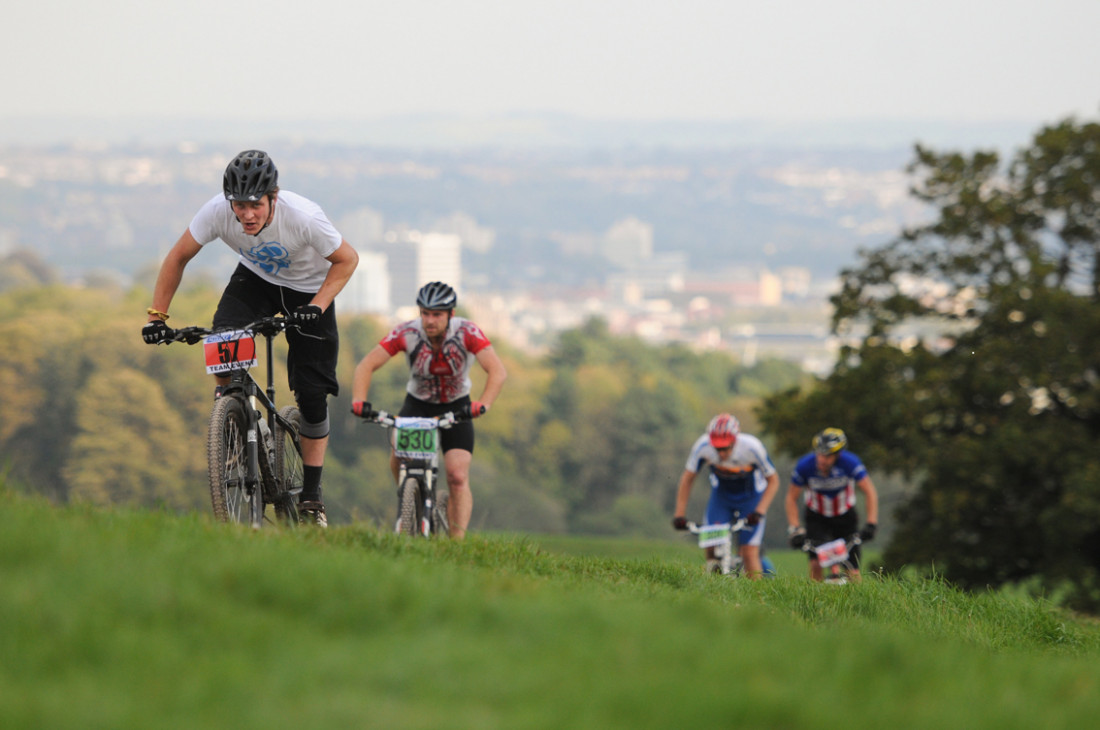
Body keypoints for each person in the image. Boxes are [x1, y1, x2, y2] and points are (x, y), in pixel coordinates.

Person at [141, 150, 359, 527]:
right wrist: (157, 317)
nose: (246, 215)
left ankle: (311, 496)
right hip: (257, 280)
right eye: (239, 205)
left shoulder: (303, 216)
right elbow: (177, 257)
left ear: (274, 196)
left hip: (309, 291)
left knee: (310, 394)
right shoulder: (215, 212)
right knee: (223, 337)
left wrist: (319, 306)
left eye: (255, 205)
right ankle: (232, 416)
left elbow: (348, 259)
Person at [350, 281, 507, 539]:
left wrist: (483, 403)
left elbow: (497, 371)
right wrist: (359, 399)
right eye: (425, 313)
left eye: (437, 314)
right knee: (399, 456)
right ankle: (410, 496)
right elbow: (366, 365)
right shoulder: (407, 332)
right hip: (418, 404)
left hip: (457, 406)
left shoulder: (467, 331)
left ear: (450, 315)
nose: (430, 320)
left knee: (457, 475)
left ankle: (457, 544)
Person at [672, 413, 780, 579]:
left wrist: (760, 511)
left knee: (749, 551)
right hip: (722, 498)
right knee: (710, 544)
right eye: (717, 448)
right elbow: (687, 479)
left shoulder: (752, 448)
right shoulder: (703, 446)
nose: (721, 453)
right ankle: (714, 586)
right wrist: (679, 514)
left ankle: (757, 598)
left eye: (726, 448)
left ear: (735, 440)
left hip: (751, 499)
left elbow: (773, 480)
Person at [785, 427, 880, 582]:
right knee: (816, 564)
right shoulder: (805, 466)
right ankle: (814, 601)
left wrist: (871, 524)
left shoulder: (850, 463)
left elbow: (869, 491)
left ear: (837, 455)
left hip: (845, 516)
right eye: (819, 453)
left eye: (828, 456)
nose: (822, 459)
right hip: (816, 517)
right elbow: (791, 498)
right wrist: (795, 529)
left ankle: (860, 603)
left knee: (852, 570)